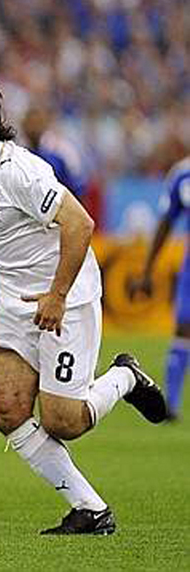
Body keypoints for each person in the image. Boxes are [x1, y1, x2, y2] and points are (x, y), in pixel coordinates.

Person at [0, 77, 167, 535]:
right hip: (11, 306)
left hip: (66, 300)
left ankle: (124, 377)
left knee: (64, 421)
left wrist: (58, 295)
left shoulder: (21, 171)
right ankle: (90, 509)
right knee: (6, 409)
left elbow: (79, 224)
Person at [130, 155, 190, 421]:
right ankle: (172, 405)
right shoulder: (182, 174)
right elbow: (166, 223)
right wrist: (147, 270)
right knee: (183, 326)